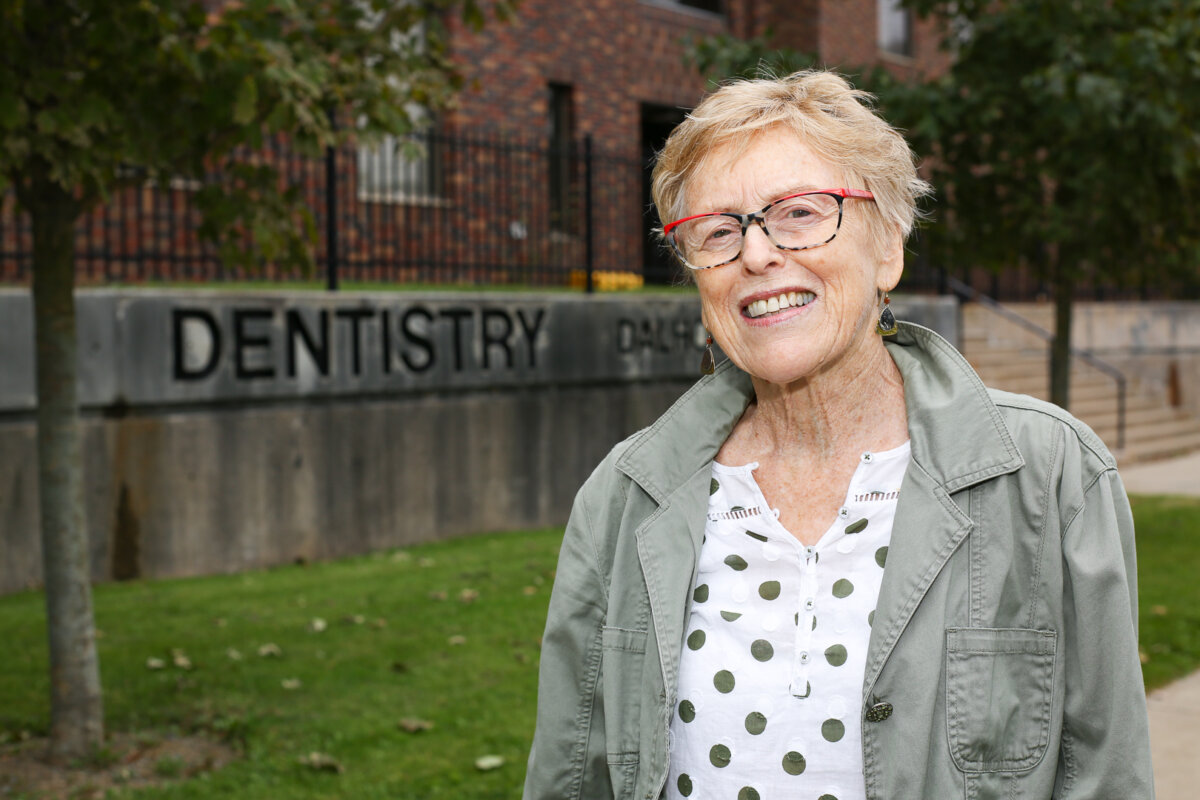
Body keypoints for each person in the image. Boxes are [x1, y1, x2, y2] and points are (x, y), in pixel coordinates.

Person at [522, 70, 1154, 800]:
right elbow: (570, 777)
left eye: (798, 213)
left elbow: (1107, 778)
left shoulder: (1051, 476)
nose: (756, 255)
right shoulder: (624, 495)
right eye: (719, 231)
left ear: (888, 246)